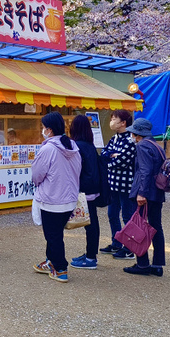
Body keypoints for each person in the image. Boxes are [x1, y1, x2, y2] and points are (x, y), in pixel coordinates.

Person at [31, 112, 82, 283]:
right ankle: (50, 262)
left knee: (53, 236)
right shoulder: (72, 146)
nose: (42, 130)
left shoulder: (48, 149)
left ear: (50, 130)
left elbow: (37, 174)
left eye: (44, 127)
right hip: (69, 198)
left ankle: (60, 268)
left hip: (52, 199)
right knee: (55, 233)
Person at [124, 117, 166, 278]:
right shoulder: (157, 146)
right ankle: (158, 264)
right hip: (157, 191)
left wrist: (141, 192)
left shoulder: (142, 146)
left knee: (139, 226)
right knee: (156, 226)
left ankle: (142, 263)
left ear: (137, 133)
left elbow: (145, 171)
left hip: (145, 192)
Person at [69, 114, 104, 270]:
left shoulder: (77, 146)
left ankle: (90, 258)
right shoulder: (89, 145)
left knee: (90, 224)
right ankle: (90, 255)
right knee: (92, 222)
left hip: (84, 189)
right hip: (93, 188)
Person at [100, 109, 137, 257]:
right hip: (112, 184)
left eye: (114, 119)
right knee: (112, 214)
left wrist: (112, 158)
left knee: (128, 216)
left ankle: (129, 248)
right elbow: (104, 154)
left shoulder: (131, 139)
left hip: (126, 185)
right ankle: (116, 242)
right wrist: (112, 156)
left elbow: (122, 161)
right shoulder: (114, 138)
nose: (111, 121)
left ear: (123, 122)